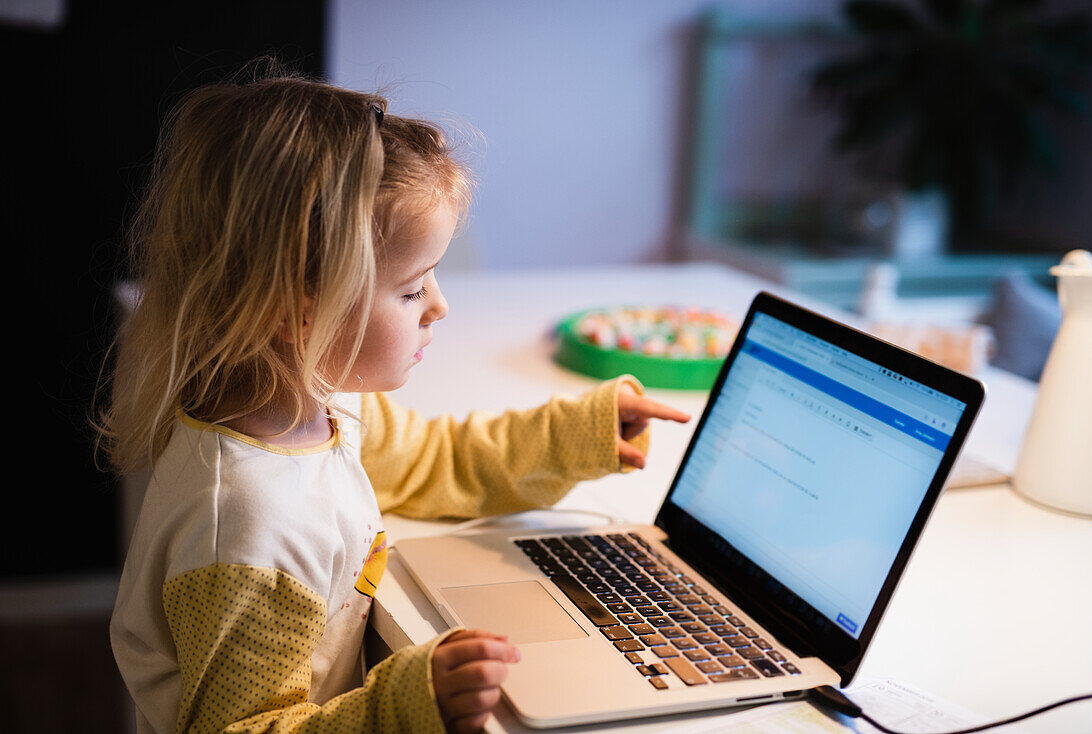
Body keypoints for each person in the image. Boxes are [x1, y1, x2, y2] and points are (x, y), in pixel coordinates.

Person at [100, 65, 690, 734]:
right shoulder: (247, 528)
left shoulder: (318, 403)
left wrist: (575, 435)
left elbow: (431, 460)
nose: (440, 306)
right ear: (298, 311)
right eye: (412, 290)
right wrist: (402, 703)